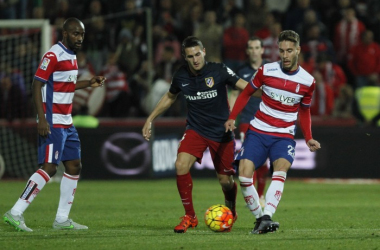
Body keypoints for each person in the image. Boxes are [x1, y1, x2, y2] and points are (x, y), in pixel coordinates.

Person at [142, 36, 258, 233]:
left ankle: (231, 208)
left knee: (225, 181)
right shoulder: (181, 76)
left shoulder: (218, 70)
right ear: (185, 58)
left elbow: (244, 86)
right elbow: (170, 96)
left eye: (197, 54)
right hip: (196, 129)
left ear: (203, 51)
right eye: (190, 56)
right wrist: (150, 118)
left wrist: (272, 95)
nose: (195, 59)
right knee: (180, 165)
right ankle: (190, 216)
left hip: (221, 133)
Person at [3, 18, 106, 232]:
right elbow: (36, 84)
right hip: (53, 122)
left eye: (82, 35)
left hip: (67, 122)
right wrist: (41, 118)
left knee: (74, 166)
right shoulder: (53, 55)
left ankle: (61, 219)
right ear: (65, 34)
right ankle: (15, 212)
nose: (79, 38)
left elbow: (66, 85)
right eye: (75, 34)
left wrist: (89, 82)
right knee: (49, 168)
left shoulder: (72, 56)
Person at [224, 30, 321, 234]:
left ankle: (267, 216)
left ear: (298, 50)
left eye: (289, 51)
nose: (285, 55)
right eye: (281, 50)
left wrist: (309, 137)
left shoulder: (308, 81)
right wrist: (233, 117)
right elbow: (246, 93)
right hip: (258, 131)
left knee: (280, 169)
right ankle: (261, 218)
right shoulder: (266, 70)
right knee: (243, 176)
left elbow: (304, 110)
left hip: (284, 135)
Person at [230, 36, 268, 207]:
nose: (254, 51)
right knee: (250, 157)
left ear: (262, 50)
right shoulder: (241, 71)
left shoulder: (269, 69)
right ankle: (252, 197)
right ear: (247, 51)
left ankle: (260, 195)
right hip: (247, 120)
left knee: (264, 161)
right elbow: (235, 94)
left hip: (267, 120)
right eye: (251, 48)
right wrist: (231, 116)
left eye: (256, 47)